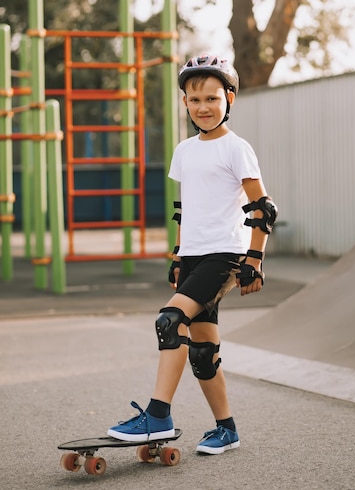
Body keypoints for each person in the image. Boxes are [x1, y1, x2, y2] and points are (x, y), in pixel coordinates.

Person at [107, 54, 278, 454]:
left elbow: (262, 208)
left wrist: (253, 261)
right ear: (185, 102)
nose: (204, 107)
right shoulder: (185, 150)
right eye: (195, 99)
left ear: (229, 99)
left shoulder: (237, 148)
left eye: (213, 99)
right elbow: (185, 207)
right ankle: (227, 429)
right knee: (202, 352)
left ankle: (158, 416)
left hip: (226, 255)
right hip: (195, 256)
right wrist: (178, 256)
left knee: (170, 320)